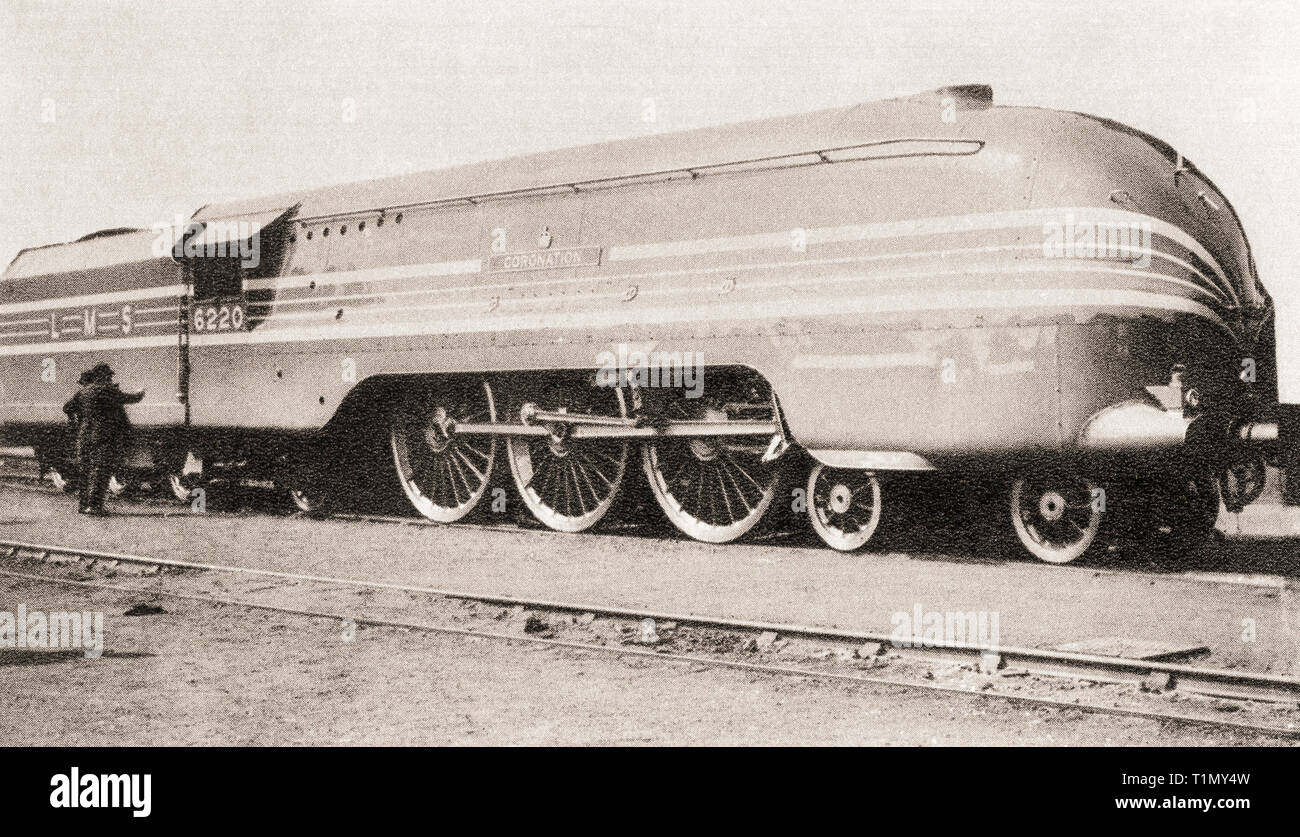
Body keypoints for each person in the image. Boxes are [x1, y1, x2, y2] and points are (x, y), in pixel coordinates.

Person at [62, 363, 145, 515]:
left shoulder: (83, 392)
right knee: (101, 472)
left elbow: (67, 408)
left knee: (85, 472)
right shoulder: (107, 390)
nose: (110, 378)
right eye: (108, 375)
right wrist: (141, 391)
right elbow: (131, 398)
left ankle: (83, 506)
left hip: (84, 436)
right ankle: (95, 506)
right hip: (103, 437)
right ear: (102, 376)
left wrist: (77, 418)